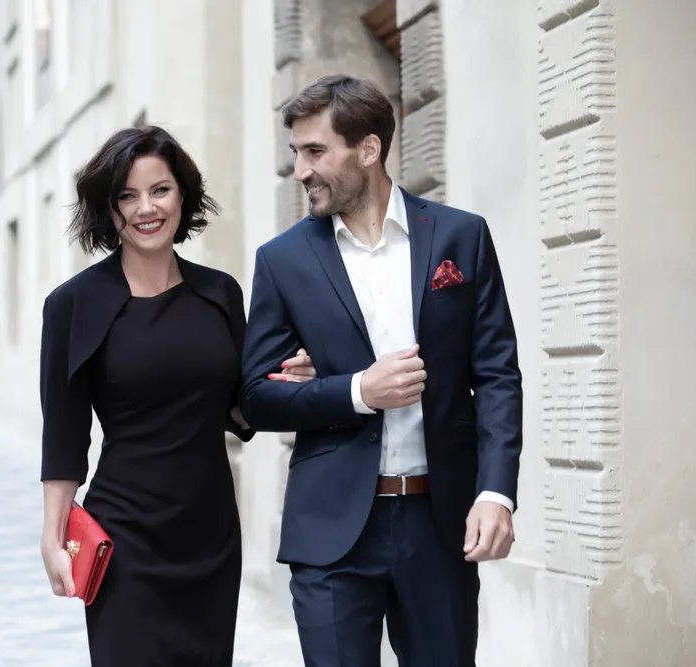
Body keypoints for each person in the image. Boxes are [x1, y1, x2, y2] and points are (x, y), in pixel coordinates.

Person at [239, 75, 523, 667]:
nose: (300, 170)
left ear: (368, 149)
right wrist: (356, 391)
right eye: (296, 152)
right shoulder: (282, 260)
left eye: (315, 151)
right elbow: (256, 396)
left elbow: (497, 374)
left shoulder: (461, 236)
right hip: (331, 531)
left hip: (440, 522)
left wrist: (495, 492)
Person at [37, 125, 316, 667]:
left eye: (159, 190)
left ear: (182, 194)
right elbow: (64, 434)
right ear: (110, 209)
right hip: (124, 538)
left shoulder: (220, 293)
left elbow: (239, 407)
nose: (146, 208)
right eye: (127, 196)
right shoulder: (73, 304)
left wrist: (284, 383)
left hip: (209, 534)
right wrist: (52, 536)